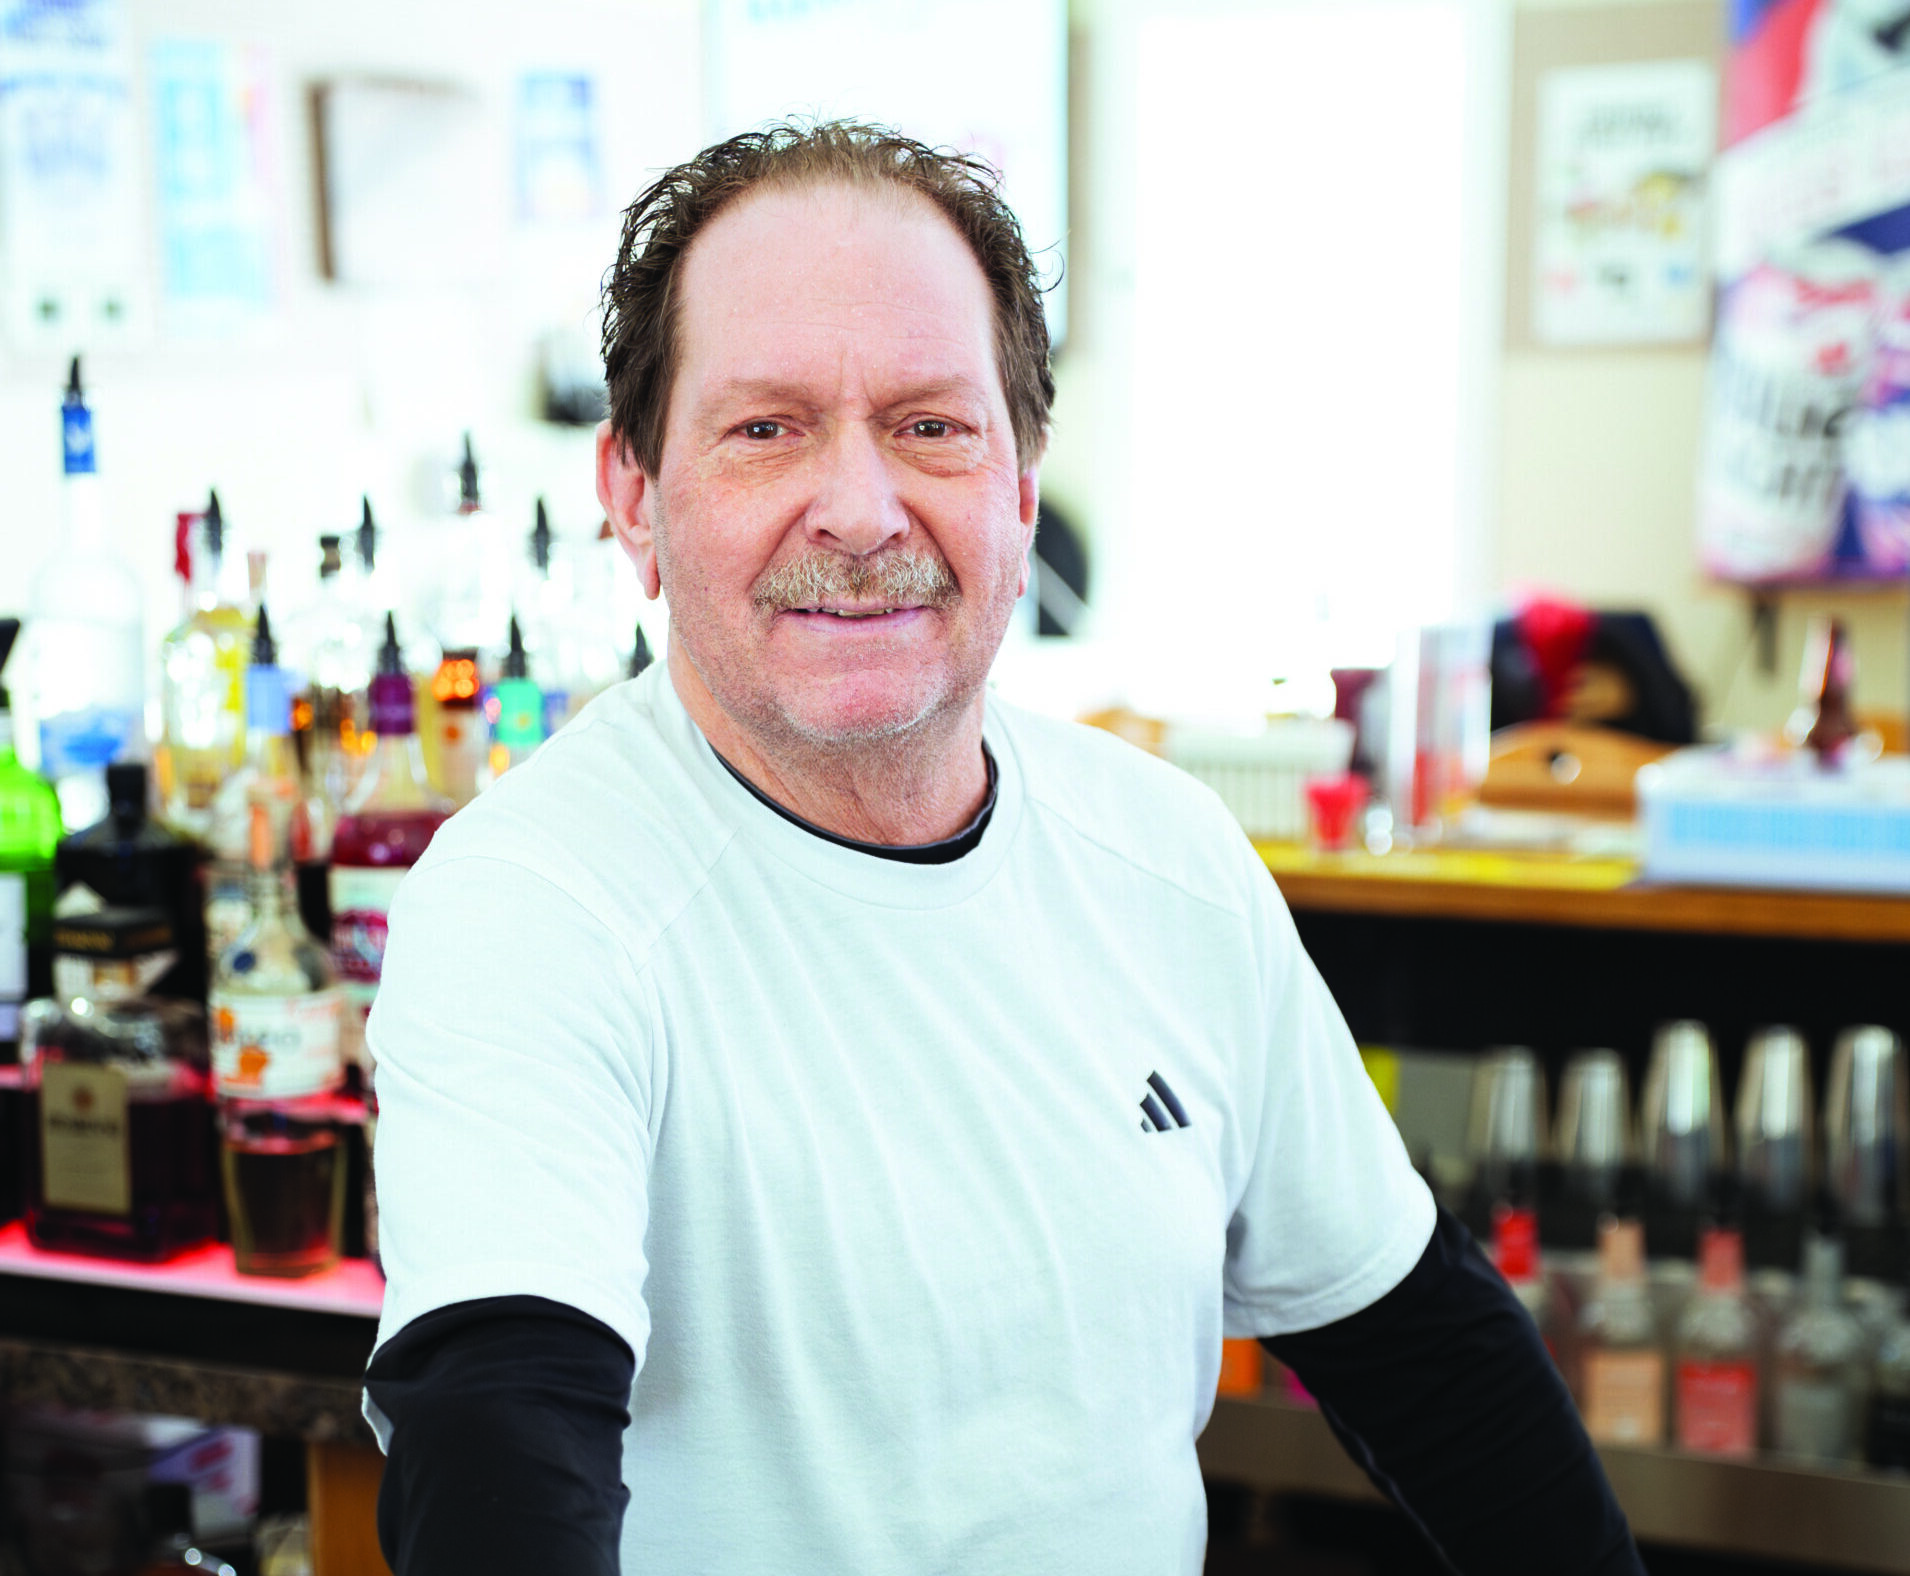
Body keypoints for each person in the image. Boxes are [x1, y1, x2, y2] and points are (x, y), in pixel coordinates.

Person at [363, 121, 1643, 1576]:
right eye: (764, 428)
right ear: (634, 496)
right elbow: (495, 1442)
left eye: (929, 425)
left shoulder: (1164, 852)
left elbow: (1425, 1352)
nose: (857, 510)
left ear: (1020, 482)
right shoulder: (532, 904)